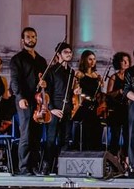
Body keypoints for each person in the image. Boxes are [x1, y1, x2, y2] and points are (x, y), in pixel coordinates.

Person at [10, 26, 48, 176]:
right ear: (22, 40)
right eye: (28, 37)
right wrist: (20, 97)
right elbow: (15, 81)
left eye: (33, 37)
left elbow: (46, 80)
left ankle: (34, 166)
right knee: (26, 133)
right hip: (24, 100)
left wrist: (45, 84)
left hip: (38, 101)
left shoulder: (41, 60)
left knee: (37, 134)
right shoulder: (17, 59)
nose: (31, 39)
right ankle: (24, 167)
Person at [39, 42, 76, 175]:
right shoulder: (51, 70)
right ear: (58, 54)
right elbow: (46, 92)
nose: (69, 54)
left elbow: (70, 92)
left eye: (70, 52)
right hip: (54, 108)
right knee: (51, 138)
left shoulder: (71, 72)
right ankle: (46, 166)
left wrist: (75, 93)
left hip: (67, 108)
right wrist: (52, 109)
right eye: (66, 52)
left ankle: (62, 166)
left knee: (65, 140)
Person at [72, 49, 105, 151]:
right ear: (84, 60)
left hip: (95, 105)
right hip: (84, 104)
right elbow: (74, 89)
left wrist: (101, 84)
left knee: (97, 129)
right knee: (86, 130)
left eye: (94, 59)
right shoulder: (79, 74)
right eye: (90, 59)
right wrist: (76, 90)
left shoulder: (97, 75)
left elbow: (100, 93)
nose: (92, 61)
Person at [106, 51, 131, 166]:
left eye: (127, 60)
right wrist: (119, 91)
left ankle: (126, 161)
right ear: (118, 62)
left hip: (128, 109)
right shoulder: (114, 77)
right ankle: (113, 161)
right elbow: (108, 94)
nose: (126, 63)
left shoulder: (131, 76)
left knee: (128, 136)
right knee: (115, 136)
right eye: (123, 60)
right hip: (116, 109)